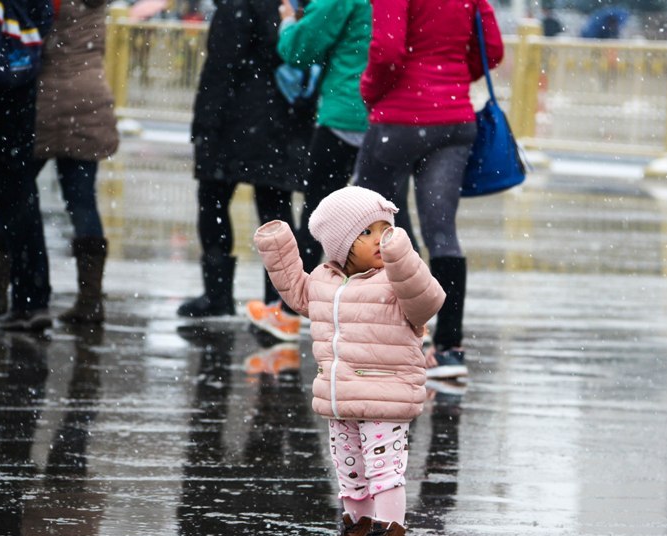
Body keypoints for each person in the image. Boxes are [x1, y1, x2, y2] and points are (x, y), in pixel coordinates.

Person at [253, 186, 445, 536]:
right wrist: (278, 248)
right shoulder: (325, 281)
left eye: (385, 229)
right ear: (340, 245)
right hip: (341, 396)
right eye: (367, 232)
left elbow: (427, 302)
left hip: (386, 395)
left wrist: (402, 257)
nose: (379, 239)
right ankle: (360, 528)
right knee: (350, 467)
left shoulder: (394, 279)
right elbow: (297, 292)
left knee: (384, 470)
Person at [354, 0, 503, 380]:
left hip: (399, 118)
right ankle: (449, 348)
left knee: (381, 230)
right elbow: (492, 49)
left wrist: (369, 91)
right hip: (453, 119)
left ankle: (397, 337)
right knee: (443, 233)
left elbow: (387, 51)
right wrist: (450, 79)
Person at [0, 0, 119, 325]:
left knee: (15, 197)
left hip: (43, 99)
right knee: (82, 203)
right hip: (88, 100)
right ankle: (90, 300)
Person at [245, 0, 371, 341]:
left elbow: (300, 49)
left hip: (346, 111)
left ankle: (288, 312)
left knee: (319, 216)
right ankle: (412, 319)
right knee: (386, 219)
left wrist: (288, 23)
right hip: (389, 115)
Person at [177, 0, 312, 318]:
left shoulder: (236, 6)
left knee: (213, 201)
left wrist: (205, 123)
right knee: (274, 210)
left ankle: (218, 294)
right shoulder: (282, 6)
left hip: (231, 122)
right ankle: (279, 301)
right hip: (278, 121)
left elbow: (221, 66)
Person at [0, 0, 54, 331]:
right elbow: (44, 19)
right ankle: (32, 300)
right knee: (20, 199)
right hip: (18, 90)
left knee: (18, 199)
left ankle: (25, 299)